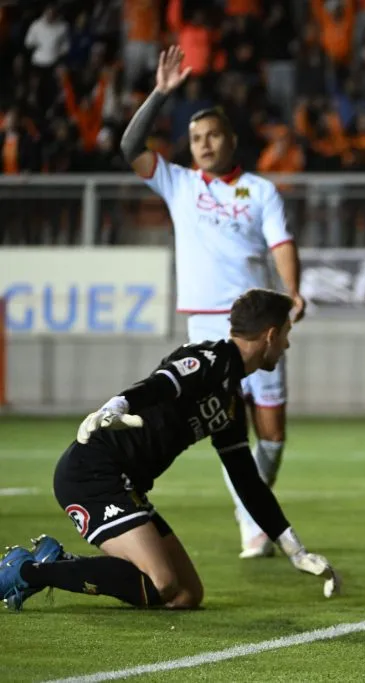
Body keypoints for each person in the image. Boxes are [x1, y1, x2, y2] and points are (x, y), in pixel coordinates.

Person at [0, 289, 339, 611]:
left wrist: (293, 548)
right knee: (161, 583)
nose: (287, 344)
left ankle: (59, 563)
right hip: (93, 475)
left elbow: (246, 480)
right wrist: (119, 404)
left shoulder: (230, 398)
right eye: (285, 334)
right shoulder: (209, 358)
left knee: (187, 595)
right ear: (270, 334)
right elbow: (162, 383)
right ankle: (30, 571)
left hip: (127, 486)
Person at [119, 46, 305, 559]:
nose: (203, 144)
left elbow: (281, 245)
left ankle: (251, 511)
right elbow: (129, 144)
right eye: (196, 138)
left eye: (212, 135)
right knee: (224, 426)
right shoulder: (177, 182)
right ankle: (254, 526)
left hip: (259, 322)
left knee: (272, 435)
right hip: (206, 326)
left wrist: (292, 291)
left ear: (231, 140)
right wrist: (160, 94)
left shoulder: (259, 190)